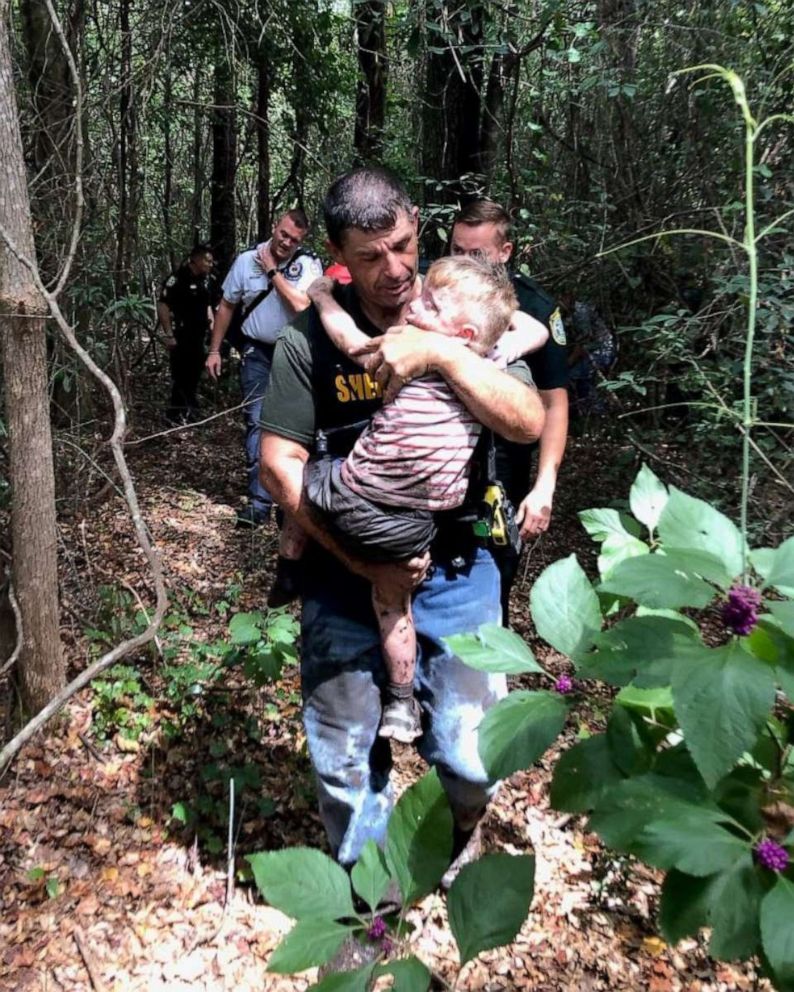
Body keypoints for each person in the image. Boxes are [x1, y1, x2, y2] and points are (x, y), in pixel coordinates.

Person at [258, 166, 545, 879]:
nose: (394, 270)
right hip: (345, 564)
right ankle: (368, 901)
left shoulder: (462, 308)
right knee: (345, 755)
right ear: (337, 254)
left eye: (404, 245)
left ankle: (463, 829)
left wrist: (443, 351)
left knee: (473, 751)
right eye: (369, 256)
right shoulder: (310, 342)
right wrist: (364, 564)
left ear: (418, 225)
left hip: (459, 564)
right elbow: (279, 466)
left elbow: (528, 419)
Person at [270, 259, 547, 743]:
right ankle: (401, 703)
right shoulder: (489, 362)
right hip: (417, 526)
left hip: (354, 499)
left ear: (460, 332)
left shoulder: (408, 353)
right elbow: (535, 330)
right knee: (394, 608)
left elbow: (348, 340)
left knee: (308, 480)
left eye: (429, 305)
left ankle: (289, 563)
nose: (413, 301)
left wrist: (322, 297)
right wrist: (473, 336)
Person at [450, 201, 569, 624]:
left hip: (505, 466)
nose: (465, 263)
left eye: (477, 255)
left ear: (505, 251)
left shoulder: (536, 308)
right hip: (441, 459)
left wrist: (545, 487)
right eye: (457, 251)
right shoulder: (436, 289)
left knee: (495, 574)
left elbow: (555, 401)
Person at [205, 210, 323, 527]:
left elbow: (302, 306)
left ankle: (290, 503)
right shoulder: (245, 261)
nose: (286, 242)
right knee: (257, 422)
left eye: (294, 239)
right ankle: (259, 503)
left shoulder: (308, 265)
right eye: (283, 234)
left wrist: (273, 273)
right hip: (256, 353)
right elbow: (227, 305)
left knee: (292, 428)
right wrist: (215, 349)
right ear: (274, 227)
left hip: (295, 354)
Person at [157, 244, 219, 424]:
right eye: (207, 260)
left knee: (194, 374)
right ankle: (175, 414)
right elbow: (163, 305)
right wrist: (168, 334)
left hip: (199, 336)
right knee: (180, 375)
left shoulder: (205, 280)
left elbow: (208, 306)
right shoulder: (177, 279)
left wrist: (214, 333)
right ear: (196, 260)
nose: (210, 264)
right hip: (181, 335)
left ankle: (190, 411)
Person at [562, 295, 617, 415]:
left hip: (602, 350)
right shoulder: (569, 314)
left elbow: (583, 342)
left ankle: (597, 409)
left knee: (577, 374)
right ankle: (587, 407)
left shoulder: (580, 312)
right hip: (593, 351)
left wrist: (569, 362)